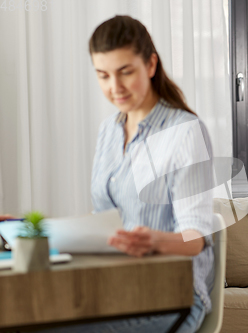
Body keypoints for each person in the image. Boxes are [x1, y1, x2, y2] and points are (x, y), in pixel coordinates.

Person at [44, 15, 215, 333]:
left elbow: (196, 239)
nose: (114, 87)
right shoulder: (108, 130)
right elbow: (104, 220)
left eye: (125, 72)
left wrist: (154, 241)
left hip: (170, 292)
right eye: (103, 75)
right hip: (116, 282)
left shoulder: (184, 131)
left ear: (150, 65)